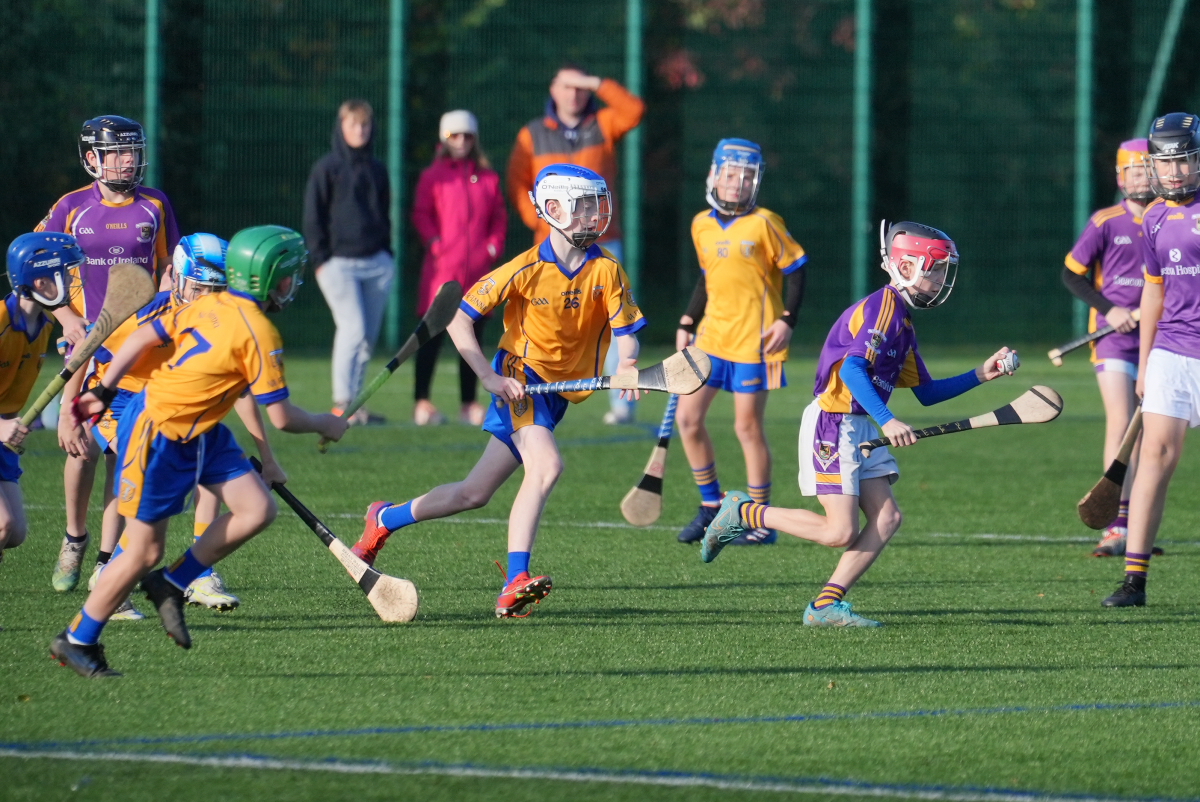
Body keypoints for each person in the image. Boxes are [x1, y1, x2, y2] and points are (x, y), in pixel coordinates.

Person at [51, 225, 347, 678]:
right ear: (271, 280)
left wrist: (104, 390)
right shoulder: (261, 332)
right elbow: (284, 417)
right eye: (290, 276)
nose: (294, 284)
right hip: (160, 432)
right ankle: (77, 638)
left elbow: (143, 338)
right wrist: (329, 422)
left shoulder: (210, 303)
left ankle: (172, 583)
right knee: (142, 552)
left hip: (203, 430)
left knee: (256, 509)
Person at [350, 165, 645, 618]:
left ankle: (382, 520)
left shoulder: (607, 269)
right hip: (519, 380)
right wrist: (487, 378)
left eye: (596, 205)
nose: (594, 215)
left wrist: (627, 362)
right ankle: (514, 581)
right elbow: (460, 317)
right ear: (553, 210)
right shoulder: (524, 268)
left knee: (474, 493)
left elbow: (627, 331)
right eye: (584, 206)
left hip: (557, 393)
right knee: (546, 467)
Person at [700, 221, 1018, 627]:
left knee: (887, 518)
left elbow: (927, 392)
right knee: (838, 532)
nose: (940, 279)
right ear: (906, 267)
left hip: (861, 425)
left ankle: (824, 606)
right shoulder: (883, 309)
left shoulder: (902, 323)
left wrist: (982, 374)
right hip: (834, 421)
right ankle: (744, 513)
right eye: (935, 269)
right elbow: (852, 370)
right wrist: (888, 420)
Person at [34, 115, 180, 594]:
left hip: (138, 349)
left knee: (124, 454)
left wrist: (164, 308)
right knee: (82, 447)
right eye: (118, 153)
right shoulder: (71, 207)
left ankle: (105, 561)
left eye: (133, 151)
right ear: (92, 157)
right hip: (84, 347)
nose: (128, 161)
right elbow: (34, 265)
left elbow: (167, 266)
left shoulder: (155, 204)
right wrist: (65, 318)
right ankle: (75, 538)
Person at [82, 234, 244, 617]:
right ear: (178, 277)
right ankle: (109, 581)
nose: (207, 296)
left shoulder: (218, 322)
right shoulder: (147, 313)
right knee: (162, 477)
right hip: (119, 401)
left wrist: (265, 452)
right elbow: (87, 354)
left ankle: (198, 574)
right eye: (200, 287)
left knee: (205, 462)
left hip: (166, 408)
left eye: (215, 289)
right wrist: (73, 416)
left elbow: (244, 391)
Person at [674, 139, 807, 546]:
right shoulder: (701, 224)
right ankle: (711, 506)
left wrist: (788, 320)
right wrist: (687, 320)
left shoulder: (765, 222)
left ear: (756, 181)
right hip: (712, 338)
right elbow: (707, 278)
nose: (737, 183)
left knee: (747, 428)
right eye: (731, 174)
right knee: (688, 420)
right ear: (715, 175)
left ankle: (759, 520)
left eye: (747, 176)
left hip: (756, 341)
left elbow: (798, 268)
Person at [508, 65, 644, 425]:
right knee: (546, 321)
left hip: (604, 241)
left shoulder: (601, 123)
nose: (574, 94)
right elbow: (518, 182)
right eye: (567, 86)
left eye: (580, 87)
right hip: (551, 248)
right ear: (552, 90)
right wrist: (538, 220)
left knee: (618, 322)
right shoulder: (532, 134)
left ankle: (621, 403)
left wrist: (597, 82)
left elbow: (635, 111)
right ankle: (539, 392)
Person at [1103, 113, 1200, 608]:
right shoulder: (1154, 218)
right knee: (1157, 458)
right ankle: (1134, 581)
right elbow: (1153, 295)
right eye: (1165, 163)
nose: (1175, 172)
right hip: (1172, 351)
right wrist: (1144, 363)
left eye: (1183, 160)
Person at [1062, 140, 1153, 557]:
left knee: (1150, 435)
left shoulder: (1168, 218)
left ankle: (1136, 525)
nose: (1141, 177)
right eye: (1134, 171)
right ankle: (1115, 525)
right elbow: (1072, 274)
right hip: (1113, 339)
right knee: (1121, 425)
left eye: (1147, 169)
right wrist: (1110, 310)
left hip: (1160, 339)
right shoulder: (1106, 221)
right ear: (1120, 177)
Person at [411, 109, 507, 426]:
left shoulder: (488, 178)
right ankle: (422, 402)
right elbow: (421, 214)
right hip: (442, 271)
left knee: (473, 339)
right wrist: (435, 242)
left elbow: (499, 218)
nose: (462, 141)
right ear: (444, 138)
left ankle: (468, 404)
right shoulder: (433, 176)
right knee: (431, 336)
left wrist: (491, 247)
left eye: (467, 135)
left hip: (477, 273)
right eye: (455, 135)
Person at [0, 233, 79, 604]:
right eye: (64, 274)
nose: (72, 281)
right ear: (39, 281)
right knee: (3, 525)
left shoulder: (44, 327)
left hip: (3, 434)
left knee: (13, 534)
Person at [304, 99, 393, 426]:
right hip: (338, 264)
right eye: (353, 124)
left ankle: (357, 407)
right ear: (341, 127)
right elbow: (313, 217)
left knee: (367, 339)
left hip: (376, 263)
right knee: (352, 330)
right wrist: (321, 259)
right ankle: (342, 403)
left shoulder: (378, 169)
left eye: (365, 125)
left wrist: (388, 255)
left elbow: (384, 214)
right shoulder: (326, 168)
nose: (360, 130)